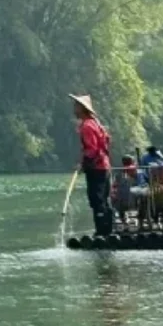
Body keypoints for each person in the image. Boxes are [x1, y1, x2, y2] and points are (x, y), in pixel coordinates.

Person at [70, 94, 113, 238]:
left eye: (76, 106)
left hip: (97, 168)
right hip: (104, 167)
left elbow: (92, 150)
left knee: (96, 199)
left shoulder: (87, 126)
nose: (74, 109)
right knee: (103, 199)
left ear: (82, 109)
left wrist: (83, 164)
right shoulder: (95, 123)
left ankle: (102, 232)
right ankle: (106, 230)